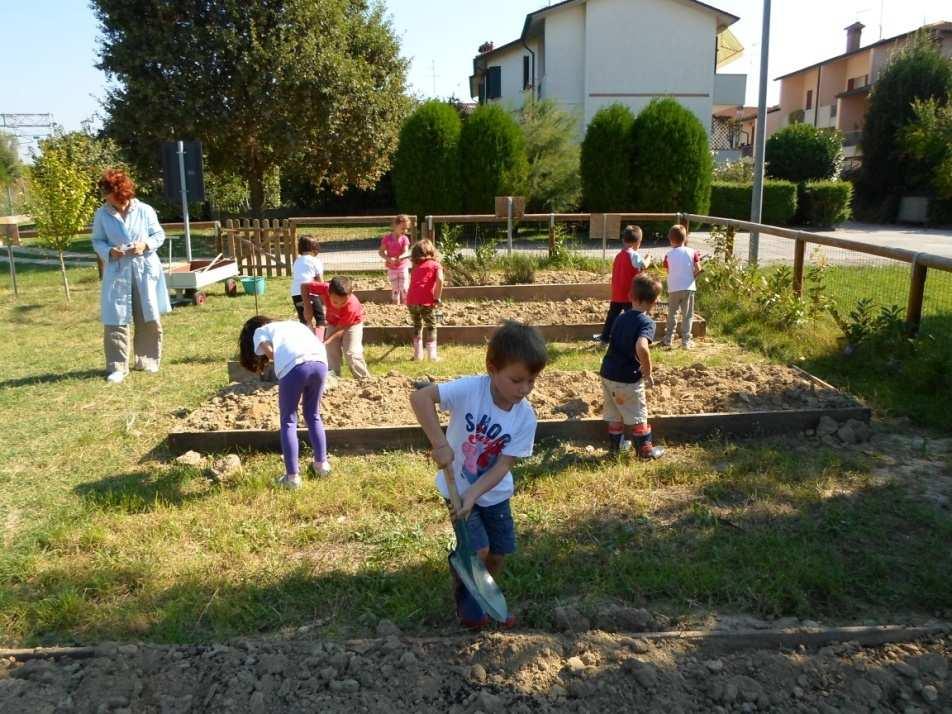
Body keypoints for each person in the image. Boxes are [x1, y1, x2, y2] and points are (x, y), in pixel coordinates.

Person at [410, 321, 548, 629]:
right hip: (457, 489)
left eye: (531, 381)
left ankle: (478, 589)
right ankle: (469, 605)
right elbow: (420, 399)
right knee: (478, 549)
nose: (524, 389)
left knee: (498, 555)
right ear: (492, 369)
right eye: (516, 380)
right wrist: (440, 443)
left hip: (494, 493)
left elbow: (503, 466)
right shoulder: (471, 390)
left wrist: (476, 493)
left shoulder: (525, 417)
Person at [90, 169, 171, 384]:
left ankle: (147, 360)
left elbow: (159, 235)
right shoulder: (102, 214)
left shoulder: (144, 210)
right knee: (115, 318)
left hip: (144, 269)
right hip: (117, 271)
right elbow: (97, 241)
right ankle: (117, 366)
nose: (112, 202)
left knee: (148, 314)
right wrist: (109, 252)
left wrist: (145, 244)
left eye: (115, 197)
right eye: (107, 197)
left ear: (124, 193)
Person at [239, 316, 330, 489]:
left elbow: (271, 354)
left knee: (288, 419)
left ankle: (292, 478)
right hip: (320, 362)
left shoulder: (260, 332)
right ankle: (322, 465)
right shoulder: (294, 324)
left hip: (294, 367)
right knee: (313, 414)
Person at [600, 274, 665, 460]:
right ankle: (645, 451)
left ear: (630, 296)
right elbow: (641, 346)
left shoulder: (620, 318)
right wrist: (647, 370)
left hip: (607, 373)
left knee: (614, 414)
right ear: (654, 302)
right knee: (638, 414)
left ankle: (616, 449)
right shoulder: (647, 322)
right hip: (627, 378)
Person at [302, 276, 370, 380]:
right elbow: (304, 286)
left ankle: (364, 379)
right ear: (329, 293)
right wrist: (307, 305)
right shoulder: (325, 288)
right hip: (334, 321)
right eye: (335, 302)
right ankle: (333, 377)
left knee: (352, 352)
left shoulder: (352, 307)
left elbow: (340, 329)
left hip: (352, 324)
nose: (339, 305)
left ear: (350, 295)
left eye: (343, 302)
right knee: (330, 350)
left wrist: (326, 341)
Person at [596, 225, 649, 343]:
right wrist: (648, 259)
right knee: (632, 317)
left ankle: (605, 338)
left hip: (617, 293)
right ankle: (630, 338)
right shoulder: (634, 255)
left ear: (623, 240)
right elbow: (643, 265)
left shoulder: (619, 255)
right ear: (638, 242)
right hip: (629, 294)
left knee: (612, 316)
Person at [661, 224, 702, 350]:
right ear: (685, 238)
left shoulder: (668, 255)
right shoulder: (692, 252)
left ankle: (669, 338)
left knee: (672, 313)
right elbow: (699, 269)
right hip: (688, 287)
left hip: (674, 288)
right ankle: (686, 341)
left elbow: (668, 270)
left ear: (670, 239)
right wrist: (692, 277)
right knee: (688, 315)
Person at [406, 239, 444, 361]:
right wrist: (437, 297)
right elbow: (440, 280)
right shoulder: (435, 265)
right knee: (431, 326)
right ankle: (432, 356)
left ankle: (418, 355)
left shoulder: (415, 266)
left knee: (417, 325)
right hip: (426, 300)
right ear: (431, 252)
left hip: (411, 300)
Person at [290, 234, 325, 327]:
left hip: (296, 293)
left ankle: (306, 338)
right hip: (310, 293)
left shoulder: (297, 261)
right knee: (320, 319)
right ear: (315, 248)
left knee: (304, 320)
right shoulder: (315, 261)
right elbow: (320, 282)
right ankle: (319, 339)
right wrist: (324, 299)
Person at [378, 215, 412, 304]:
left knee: (404, 287)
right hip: (392, 267)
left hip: (403, 266)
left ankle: (406, 305)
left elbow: (406, 252)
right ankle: (395, 305)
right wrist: (388, 259)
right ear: (395, 226)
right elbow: (381, 252)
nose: (405, 231)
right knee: (395, 289)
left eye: (406, 229)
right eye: (403, 228)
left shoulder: (405, 239)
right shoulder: (387, 238)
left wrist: (399, 258)